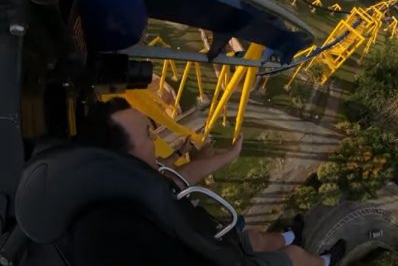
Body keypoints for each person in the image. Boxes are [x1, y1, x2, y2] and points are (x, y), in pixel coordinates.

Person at [78, 97, 346, 266]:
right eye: (148, 135)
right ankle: (324, 261)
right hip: (212, 255)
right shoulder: (132, 225)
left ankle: (292, 235)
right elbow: (175, 182)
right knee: (294, 258)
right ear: (122, 158)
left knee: (252, 237)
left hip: (210, 242)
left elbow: (175, 179)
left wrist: (229, 155)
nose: (154, 139)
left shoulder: (125, 185)